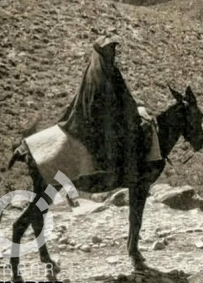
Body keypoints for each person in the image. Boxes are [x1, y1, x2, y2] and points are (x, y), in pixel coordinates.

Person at [58, 35, 146, 184]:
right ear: (101, 51)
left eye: (113, 48)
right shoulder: (96, 73)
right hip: (95, 119)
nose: (113, 52)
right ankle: (116, 174)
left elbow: (123, 93)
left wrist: (132, 106)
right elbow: (97, 103)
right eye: (109, 49)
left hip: (110, 114)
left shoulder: (110, 69)